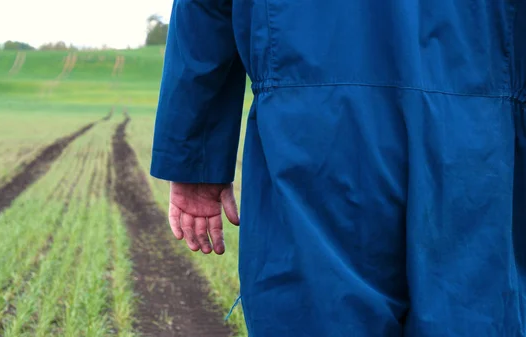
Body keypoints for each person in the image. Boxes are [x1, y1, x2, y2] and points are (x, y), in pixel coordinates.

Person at [150, 0, 526, 335]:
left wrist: (194, 159)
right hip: (476, 145)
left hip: (312, 139)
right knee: (473, 315)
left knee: (318, 312)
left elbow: (205, 11)